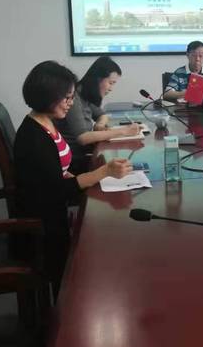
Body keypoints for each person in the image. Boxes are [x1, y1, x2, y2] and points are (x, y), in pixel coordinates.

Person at [15, 61, 131, 296]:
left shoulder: (45, 122)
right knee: (107, 236)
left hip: (54, 211)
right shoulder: (34, 139)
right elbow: (57, 190)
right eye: (67, 98)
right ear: (48, 96)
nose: (71, 103)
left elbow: (57, 173)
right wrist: (103, 172)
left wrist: (88, 176)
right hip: (44, 229)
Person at [56, 56, 140, 169]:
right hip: (74, 162)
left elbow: (102, 115)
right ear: (97, 79)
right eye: (111, 83)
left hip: (85, 154)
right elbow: (83, 138)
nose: (111, 88)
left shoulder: (85, 94)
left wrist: (99, 125)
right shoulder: (74, 97)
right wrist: (124, 131)